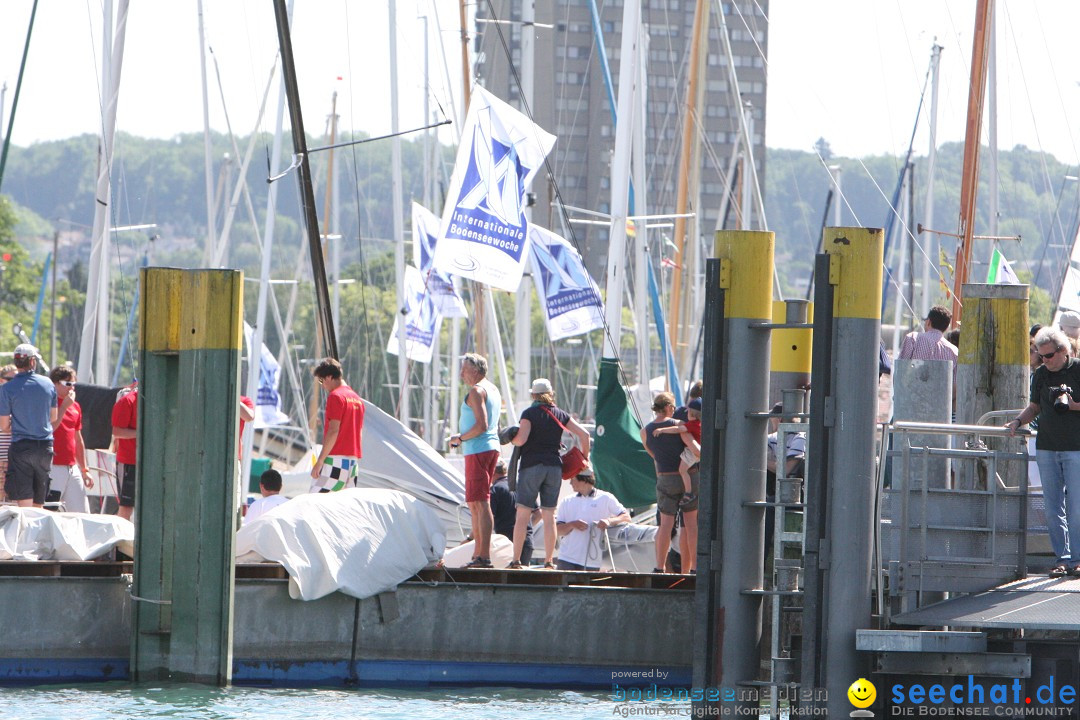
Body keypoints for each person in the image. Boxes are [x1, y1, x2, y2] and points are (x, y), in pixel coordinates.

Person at [1007, 327, 1080, 578]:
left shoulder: (1078, 368)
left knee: (1077, 507)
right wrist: (1017, 422)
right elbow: (1035, 406)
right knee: (1051, 507)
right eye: (1040, 356)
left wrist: (1072, 406)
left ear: (1063, 351)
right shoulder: (1039, 374)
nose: (1044, 361)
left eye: (1048, 356)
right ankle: (1062, 558)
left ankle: (1077, 559)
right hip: (1047, 447)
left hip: (1075, 448)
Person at [510, 377, 591, 569]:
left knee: (522, 515)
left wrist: (510, 438)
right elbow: (585, 435)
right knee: (549, 516)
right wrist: (584, 460)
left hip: (532, 466)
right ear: (551, 394)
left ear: (533, 395)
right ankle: (548, 561)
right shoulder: (560, 414)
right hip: (554, 467)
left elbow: (521, 440)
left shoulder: (529, 413)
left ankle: (515, 561)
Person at [449, 353, 502, 569]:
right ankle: (478, 553)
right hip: (484, 449)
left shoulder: (477, 390)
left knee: (480, 501)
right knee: (474, 502)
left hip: (479, 449)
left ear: (476, 370)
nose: (461, 373)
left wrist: (460, 438)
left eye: (464, 369)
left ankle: (483, 556)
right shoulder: (492, 389)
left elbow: (482, 425)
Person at [642, 391, 700, 574]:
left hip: (665, 477)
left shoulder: (645, 431)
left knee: (665, 525)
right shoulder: (679, 425)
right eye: (674, 407)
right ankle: (694, 569)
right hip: (687, 477)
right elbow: (693, 448)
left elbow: (653, 454)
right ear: (668, 407)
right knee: (690, 525)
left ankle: (659, 567)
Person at [0, 344, 58, 508]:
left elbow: (4, 426)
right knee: (39, 501)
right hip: (45, 446)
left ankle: (25, 532)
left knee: (24, 501)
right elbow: (53, 417)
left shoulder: (7, 389)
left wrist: (21, 426)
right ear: (33, 361)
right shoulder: (48, 384)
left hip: (22, 446)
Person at [554, 468, 630, 571]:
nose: (570, 483)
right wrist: (572, 524)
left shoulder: (606, 498)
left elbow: (626, 517)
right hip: (566, 558)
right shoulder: (566, 501)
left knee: (587, 588)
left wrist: (609, 521)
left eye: (573, 479)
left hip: (592, 560)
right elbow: (557, 530)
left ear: (584, 480)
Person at [310, 358, 365, 493]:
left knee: (313, 501)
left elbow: (334, 430)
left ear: (329, 377)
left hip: (335, 460)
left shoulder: (335, 396)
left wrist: (320, 461)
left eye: (321, 381)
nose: (322, 385)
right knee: (342, 507)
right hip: (353, 463)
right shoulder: (357, 399)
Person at [47, 366, 92, 513]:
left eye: (74, 384)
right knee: (50, 510)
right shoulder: (48, 403)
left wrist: (84, 469)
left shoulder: (75, 406)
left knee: (82, 513)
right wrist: (64, 407)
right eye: (67, 384)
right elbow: (51, 427)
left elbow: (78, 439)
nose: (71, 387)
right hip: (53, 466)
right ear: (55, 383)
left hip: (72, 467)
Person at [650, 397, 702, 506]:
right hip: (695, 452)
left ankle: (688, 493)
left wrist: (662, 430)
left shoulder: (691, 425)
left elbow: (678, 429)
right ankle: (689, 492)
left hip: (691, 453)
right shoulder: (700, 424)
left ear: (691, 414)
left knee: (682, 470)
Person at [490, 460, 536, 565]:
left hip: (506, 544)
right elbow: (539, 513)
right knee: (522, 580)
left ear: (492, 472)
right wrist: (525, 527)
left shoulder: (495, 490)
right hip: (527, 541)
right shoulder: (521, 486)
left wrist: (471, 538)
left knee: (508, 579)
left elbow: (488, 519)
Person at [111, 381, 139, 520]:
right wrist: (140, 433)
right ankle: (121, 541)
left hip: (149, 462)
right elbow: (117, 431)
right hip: (129, 461)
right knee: (127, 506)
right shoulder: (127, 401)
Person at [0, 365, 15, 502]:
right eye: (9, 379)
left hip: (15, 457)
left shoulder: (18, 400)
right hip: (1, 456)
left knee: (13, 501)